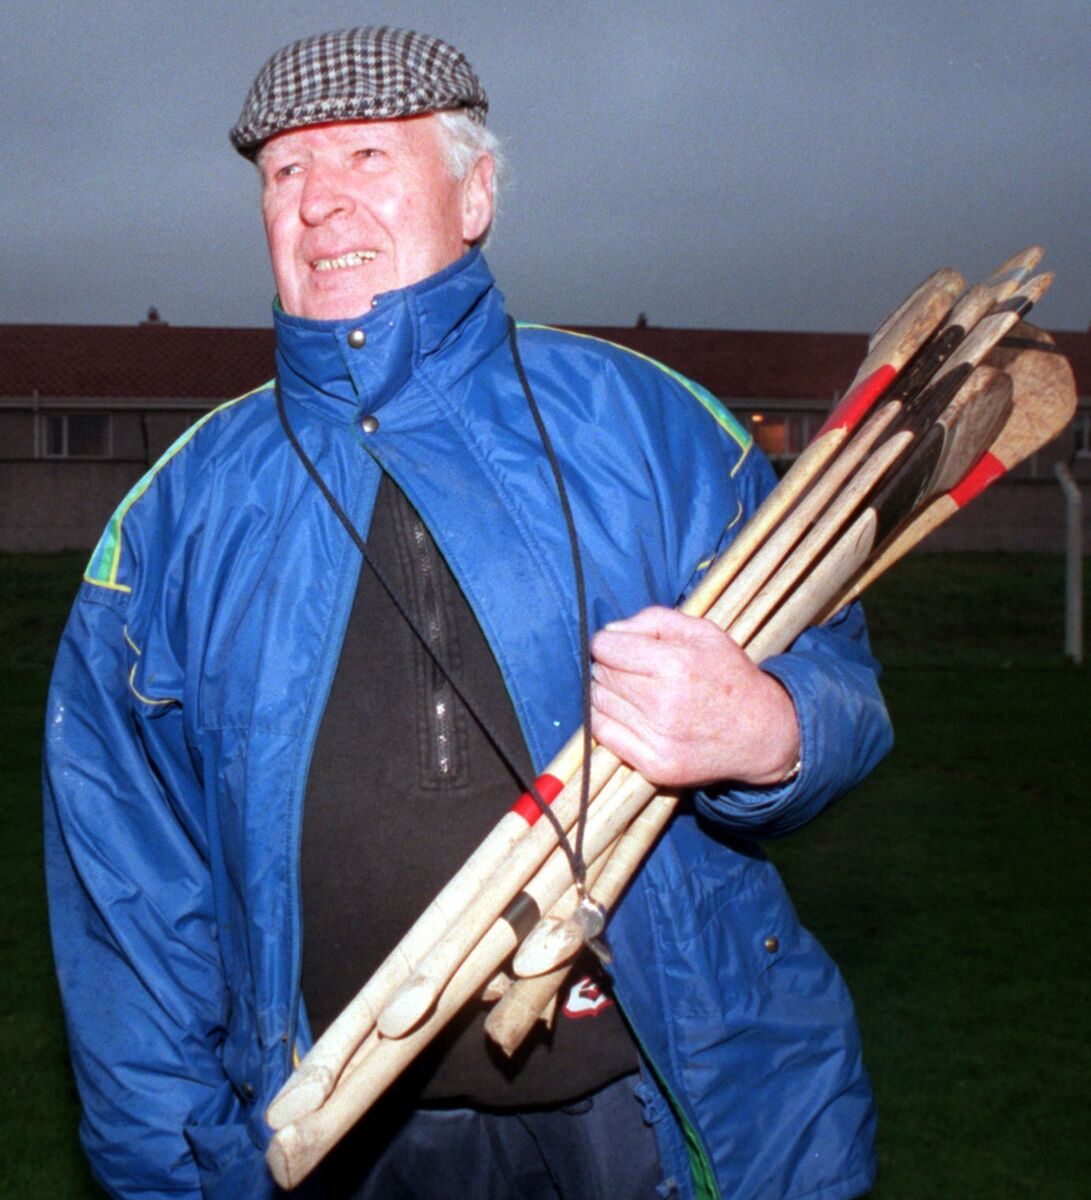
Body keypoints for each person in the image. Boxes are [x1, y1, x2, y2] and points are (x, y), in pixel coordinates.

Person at [44, 26, 893, 1200]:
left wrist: (768, 728)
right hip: (340, 1140)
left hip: (650, 1111)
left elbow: (839, 681)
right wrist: (167, 1167)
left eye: (365, 158)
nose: (321, 205)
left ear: (476, 189)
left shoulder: (651, 427)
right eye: (286, 172)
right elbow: (125, 879)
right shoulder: (176, 514)